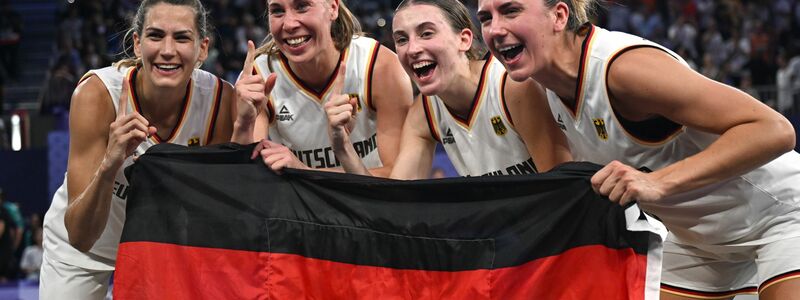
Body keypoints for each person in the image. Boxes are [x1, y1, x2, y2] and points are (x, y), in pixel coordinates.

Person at [476, 0, 800, 299]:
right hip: (698, 241)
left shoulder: (622, 69)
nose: (495, 29)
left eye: (511, 11)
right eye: (486, 18)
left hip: (781, 215)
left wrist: (658, 181)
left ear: (559, 16)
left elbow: (773, 129)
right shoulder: (539, 87)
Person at [40, 0, 234, 298]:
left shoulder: (220, 100)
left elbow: (211, 214)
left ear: (203, 49)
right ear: (136, 44)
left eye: (181, 37)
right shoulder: (97, 94)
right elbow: (80, 236)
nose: (167, 50)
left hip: (159, 247)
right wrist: (110, 163)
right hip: (83, 251)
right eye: (155, 35)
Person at [326, 0, 570, 179]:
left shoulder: (513, 87)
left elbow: (557, 191)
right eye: (401, 39)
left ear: (464, 39)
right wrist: (344, 149)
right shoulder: (424, 112)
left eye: (426, 33)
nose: (412, 49)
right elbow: (397, 201)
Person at [232, 0, 413, 177]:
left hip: (371, 202)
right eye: (277, 11)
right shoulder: (258, 76)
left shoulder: (379, 66)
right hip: (299, 204)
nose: (288, 24)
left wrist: (305, 172)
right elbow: (247, 179)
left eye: (302, 6)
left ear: (333, 8)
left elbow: (398, 178)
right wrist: (243, 124)